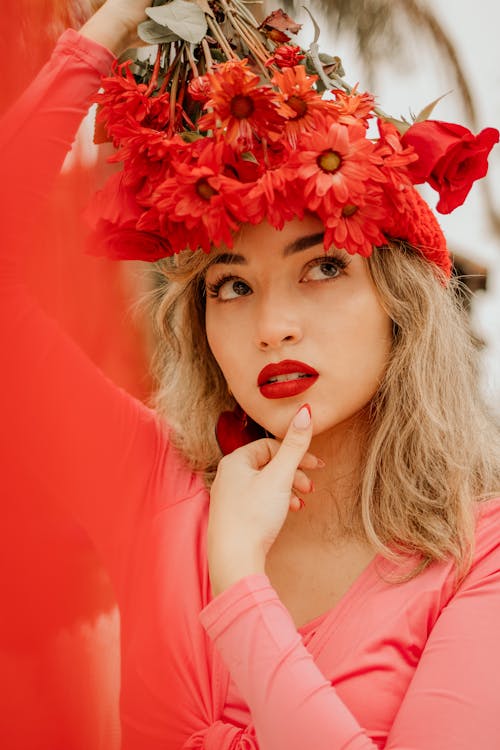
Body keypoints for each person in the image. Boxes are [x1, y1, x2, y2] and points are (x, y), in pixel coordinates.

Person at [1, 1, 500, 748]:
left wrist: (238, 580)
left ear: (401, 308)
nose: (272, 327)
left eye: (322, 268)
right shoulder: (154, 489)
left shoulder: (478, 557)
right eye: (231, 285)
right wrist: (103, 36)